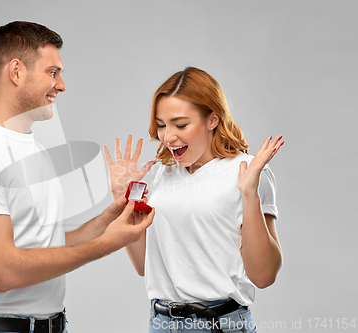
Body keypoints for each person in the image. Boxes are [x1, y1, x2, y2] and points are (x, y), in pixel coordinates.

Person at [0, 21, 154, 333]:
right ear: (16, 72)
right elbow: (6, 271)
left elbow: (41, 247)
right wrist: (106, 245)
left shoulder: (33, 148)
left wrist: (106, 220)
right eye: (52, 72)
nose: (62, 85)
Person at [104, 67, 284, 333]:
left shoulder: (249, 171)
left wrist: (250, 197)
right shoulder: (165, 174)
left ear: (212, 119)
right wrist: (122, 197)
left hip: (219, 324)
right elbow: (146, 266)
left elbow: (264, 276)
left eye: (180, 124)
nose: (168, 136)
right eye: (162, 125)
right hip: (161, 322)